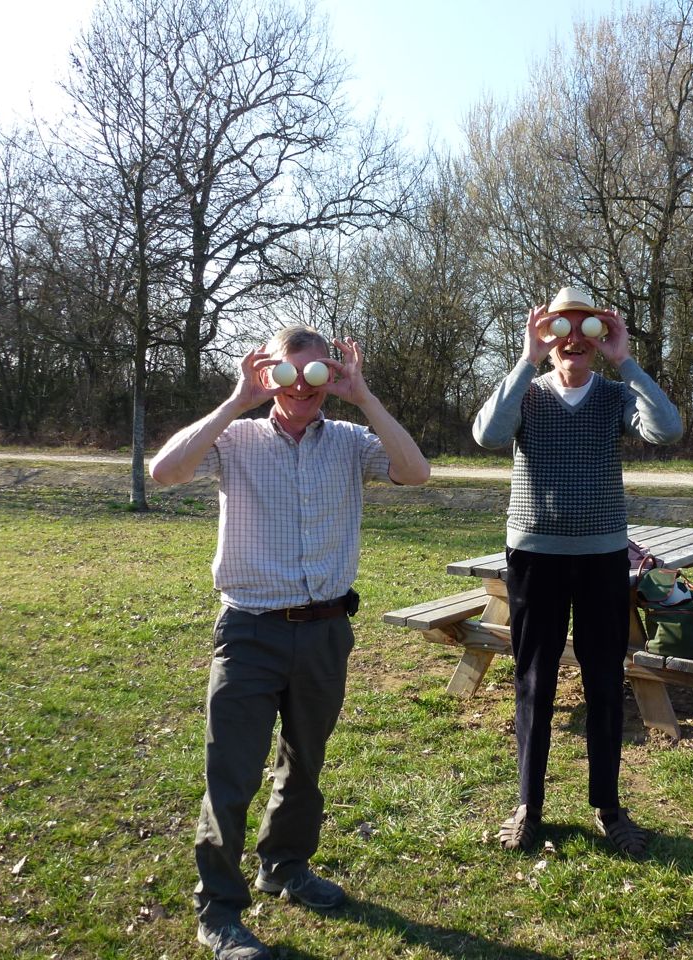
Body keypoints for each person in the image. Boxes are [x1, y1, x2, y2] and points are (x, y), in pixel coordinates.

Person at [149, 326, 430, 960]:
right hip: (250, 629)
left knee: (305, 764)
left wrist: (365, 397)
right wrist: (234, 401)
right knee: (232, 773)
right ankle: (219, 911)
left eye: (316, 373)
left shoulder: (352, 441)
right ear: (267, 373)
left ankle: (284, 866)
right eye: (287, 372)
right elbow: (164, 472)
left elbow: (416, 472)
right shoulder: (236, 439)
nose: (301, 386)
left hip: (326, 630)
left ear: (332, 375)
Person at [472, 286, 683, 857]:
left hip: (602, 558)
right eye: (560, 328)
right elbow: (488, 435)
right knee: (534, 681)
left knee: (604, 682)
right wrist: (526, 359)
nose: (572, 339)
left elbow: (666, 431)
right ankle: (528, 805)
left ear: (597, 336)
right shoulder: (526, 392)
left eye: (585, 328)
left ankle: (607, 807)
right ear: (547, 335)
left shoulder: (614, 395)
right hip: (534, 557)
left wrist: (626, 360)